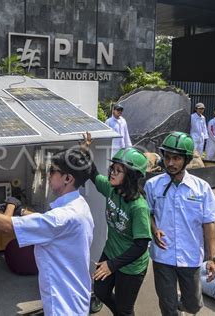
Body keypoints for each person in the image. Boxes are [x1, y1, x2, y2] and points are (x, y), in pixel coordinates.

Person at [0, 148, 95, 315]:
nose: (48, 175)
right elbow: (47, 223)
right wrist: (21, 210)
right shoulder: (80, 206)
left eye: (52, 171)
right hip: (76, 296)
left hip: (63, 305)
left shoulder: (62, 217)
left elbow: (7, 226)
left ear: (68, 178)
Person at [145, 131, 215, 316]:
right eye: (167, 157)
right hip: (163, 256)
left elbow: (208, 223)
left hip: (190, 256)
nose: (170, 163)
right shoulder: (152, 186)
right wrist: (154, 228)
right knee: (167, 306)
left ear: (187, 159)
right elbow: (148, 214)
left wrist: (212, 258)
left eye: (176, 158)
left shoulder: (201, 188)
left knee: (194, 305)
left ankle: (182, 306)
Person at [80, 133, 152, 316]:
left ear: (130, 176)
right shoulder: (111, 189)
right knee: (101, 291)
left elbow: (141, 245)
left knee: (125, 308)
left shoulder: (138, 207)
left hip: (131, 266)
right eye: (113, 168)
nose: (111, 172)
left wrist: (112, 265)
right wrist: (85, 150)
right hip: (111, 252)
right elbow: (93, 174)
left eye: (118, 170)